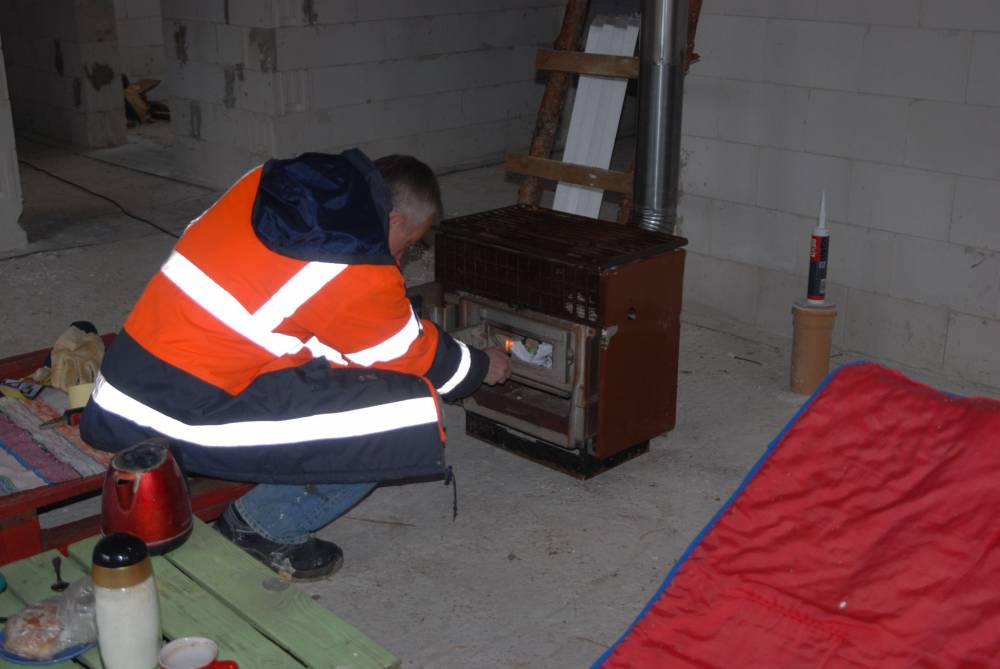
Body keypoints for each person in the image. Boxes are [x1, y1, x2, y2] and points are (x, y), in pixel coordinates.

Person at [80, 150, 512, 580]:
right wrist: (478, 367)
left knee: (339, 360)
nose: (402, 258)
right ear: (394, 220)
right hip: (173, 414)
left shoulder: (269, 183)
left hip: (126, 381)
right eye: (410, 244)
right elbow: (410, 356)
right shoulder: (353, 263)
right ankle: (260, 528)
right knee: (399, 415)